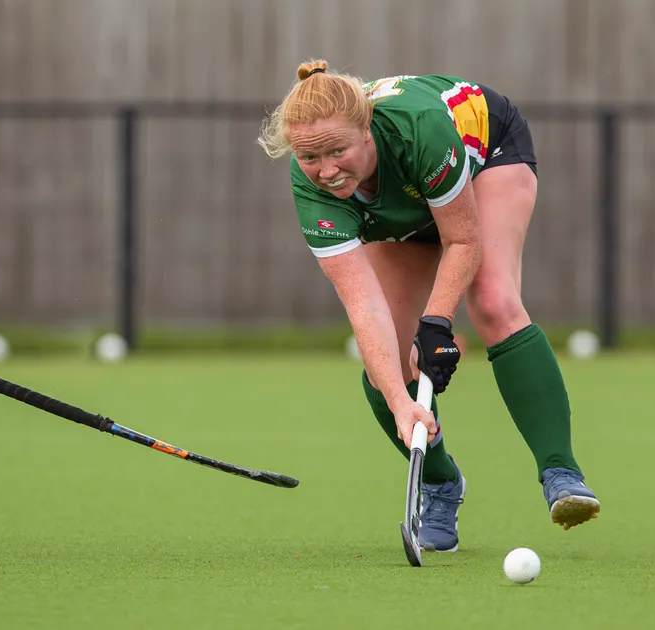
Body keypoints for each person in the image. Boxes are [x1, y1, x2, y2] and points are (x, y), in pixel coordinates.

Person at [257, 61, 600, 552]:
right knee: (387, 367)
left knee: (493, 301)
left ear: (367, 130)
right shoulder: (311, 185)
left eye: (338, 151)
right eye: (311, 156)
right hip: (400, 204)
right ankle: (440, 485)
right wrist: (401, 402)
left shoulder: (420, 130)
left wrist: (437, 324)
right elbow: (362, 304)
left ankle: (561, 472)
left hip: (483, 155)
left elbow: (462, 239)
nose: (327, 170)